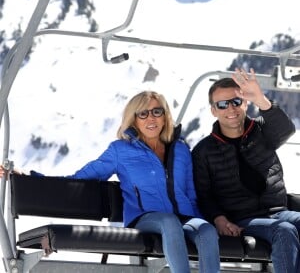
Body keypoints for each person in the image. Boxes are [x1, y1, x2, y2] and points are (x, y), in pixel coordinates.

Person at [0, 90, 220, 273]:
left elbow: (190, 193)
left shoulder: (181, 149)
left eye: (157, 111)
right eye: (143, 114)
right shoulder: (120, 151)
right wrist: (28, 177)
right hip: (146, 219)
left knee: (207, 231)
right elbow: (80, 178)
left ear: (165, 116)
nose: (151, 118)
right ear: (134, 119)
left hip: (183, 217)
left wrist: (199, 221)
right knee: (169, 222)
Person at [191, 68, 300, 273]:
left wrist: (261, 99)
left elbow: (286, 130)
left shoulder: (262, 131)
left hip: (278, 212)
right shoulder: (204, 151)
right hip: (242, 219)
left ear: (245, 102)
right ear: (213, 110)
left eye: (236, 101)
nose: (230, 109)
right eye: (222, 105)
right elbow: (203, 195)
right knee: (283, 231)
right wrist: (219, 218)